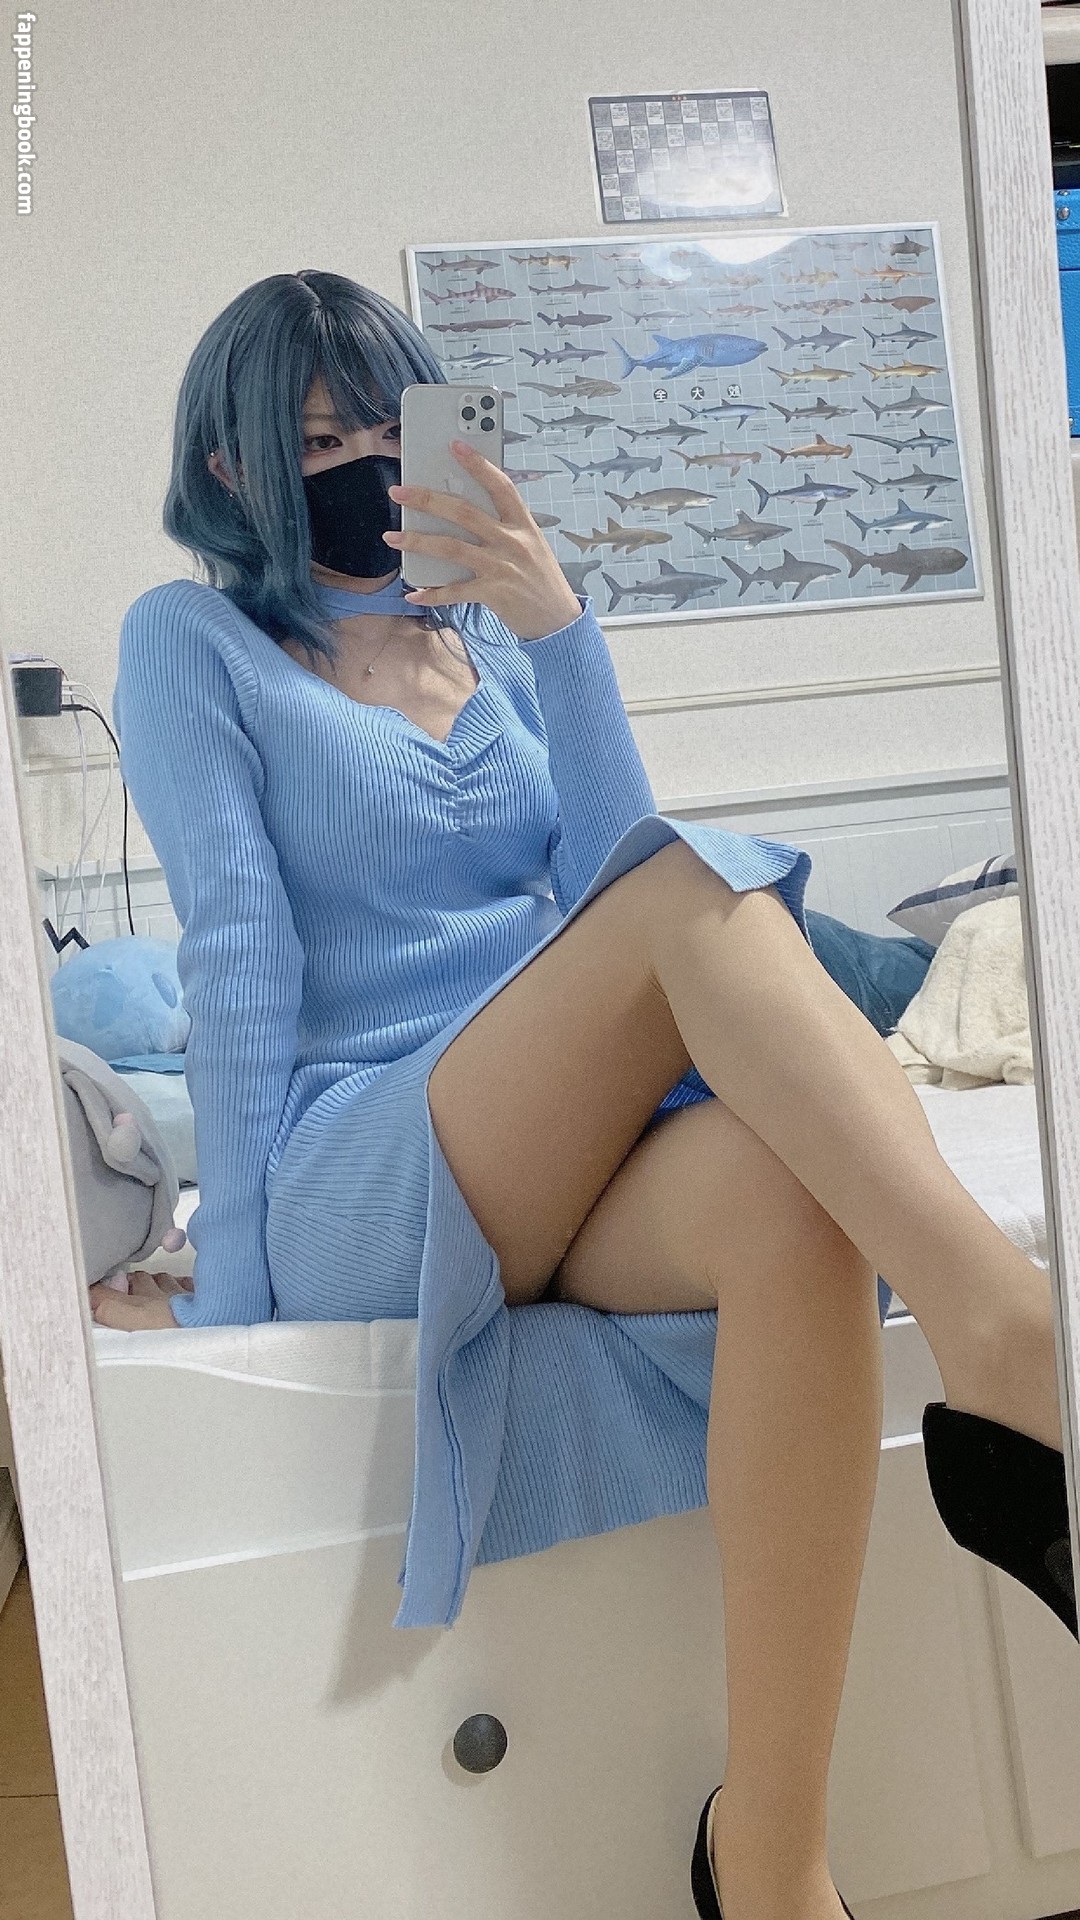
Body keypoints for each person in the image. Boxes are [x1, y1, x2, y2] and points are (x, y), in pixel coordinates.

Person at [91, 270, 1075, 1920]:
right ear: (231, 463)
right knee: (693, 886)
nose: (355, 464)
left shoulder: (477, 637)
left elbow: (611, 874)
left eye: (384, 428)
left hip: (551, 1140)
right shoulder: (191, 642)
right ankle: (1013, 1341)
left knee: (788, 1204)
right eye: (313, 439)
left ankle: (769, 1862)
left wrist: (560, 633)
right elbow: (239, 962)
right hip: (361, 1158)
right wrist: (240, 1299)